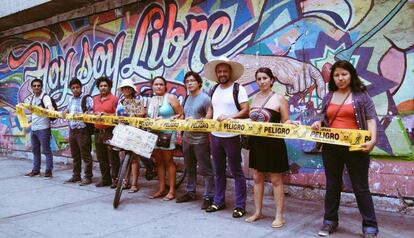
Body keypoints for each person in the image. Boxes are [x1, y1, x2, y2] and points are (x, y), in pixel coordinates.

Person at [311, 60, 379, 237]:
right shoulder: (329, 95)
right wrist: (318, 122)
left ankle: (370, 226)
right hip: (331, 147)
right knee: (332, 185)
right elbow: (323, 116)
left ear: (351, 75)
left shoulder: (361, 95)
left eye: (344, 74)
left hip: (356, 147)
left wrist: (372, 140)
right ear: (333, 77)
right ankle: (329, 221)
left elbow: (371, 118)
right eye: (336, 75)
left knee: (360, 187)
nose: (340, 78)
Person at [244, 67, 297, 227]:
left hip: (273, 144)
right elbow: (251, 120)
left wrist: (290, 123)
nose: (262, 81)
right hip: (256, 143)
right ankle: (257, 212)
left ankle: (279, 216)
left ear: (272, 80)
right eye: (259, 79)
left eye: (265, 78)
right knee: (257, 178)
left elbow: (285, 120)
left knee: (275, 180)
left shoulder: (279, 98)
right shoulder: (254, 99)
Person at [204, 57, 249, 218]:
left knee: (237, 171)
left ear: (230, 72)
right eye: (219, 71)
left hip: (232, 136)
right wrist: (206, 121)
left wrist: (232, 117)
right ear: (216, 74)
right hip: (215, 136)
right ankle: (218, 201)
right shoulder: (214, 88)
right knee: (219, 171)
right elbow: (211, 108)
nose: (222, 74)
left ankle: (239, 205)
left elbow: (245, 110)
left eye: (225, 71)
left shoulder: (238, 88)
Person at [175, 71, 215, 209]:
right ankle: (190, 192)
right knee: (189, 167)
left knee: (206, 169)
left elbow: (209, 120)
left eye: (192, 80)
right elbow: (185, 115)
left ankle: (209, 196)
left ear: (199, 83)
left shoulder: (205, 99)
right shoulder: (187, 98)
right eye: (187, 81)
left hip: (201, 140)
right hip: (187, 138)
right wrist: (179, 118)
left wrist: (196, 121)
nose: (189, 83)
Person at [147, 76, 183, 201]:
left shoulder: (171, 98)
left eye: (161, 84)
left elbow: (181, 114)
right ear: (152, 86)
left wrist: (168, 119)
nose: (158, 86)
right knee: (159, 162)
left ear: (165, 86)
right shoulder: (152, 100)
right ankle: (161, 189)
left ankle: (172, 190)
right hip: (154, 133)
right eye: (156, 84)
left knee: (169, 162)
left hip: (167, 134)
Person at [116, 78, 145, 193]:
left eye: (129, 88)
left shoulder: (137, 101)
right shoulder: (120, 101)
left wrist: (134, 114)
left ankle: (134, 183)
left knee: (133, 159)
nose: (126, 90)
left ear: (132, 90)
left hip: (133, 131)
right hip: (121, 131)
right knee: (123, 157)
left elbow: (142, 114)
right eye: (124, 88)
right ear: (122, 90)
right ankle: (125, 180)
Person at [64, 78, 94, 185]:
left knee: (85, 155)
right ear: (71, 89)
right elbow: (68, 111)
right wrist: (64, 112)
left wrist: (87, 114)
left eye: (77, 87)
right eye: (73, 88)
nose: (75, 89)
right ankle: (76, 176)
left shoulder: (86, 98)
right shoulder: (70, 99)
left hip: (83, 130)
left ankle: (88, 177)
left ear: (81, 87)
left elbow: (92, 111)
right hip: (72, 130)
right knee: (75, 155)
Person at [24, 78, 55, 178]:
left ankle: (48, 171)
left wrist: (51, 110)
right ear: (32, 87)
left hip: (43, 128)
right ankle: (36, 170)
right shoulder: (33, 98)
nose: (36, 87)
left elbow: (49, 107)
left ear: (41, 87)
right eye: (34, 86)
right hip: (34, 128)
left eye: (38, 85)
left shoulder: (45, 97)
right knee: (35, 150)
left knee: (46, 150)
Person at [93, 76, 120, 188]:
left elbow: (119, 114)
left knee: (113, 157)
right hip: (98, 131)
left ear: (109, 87)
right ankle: (105, 179)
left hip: (110, 131)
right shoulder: (95, 99)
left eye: (105, 86)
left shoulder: (115, 99)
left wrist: (106, 115)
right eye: (101, 86)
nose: (103, 88)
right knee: (101, 157)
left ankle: (116, 179)